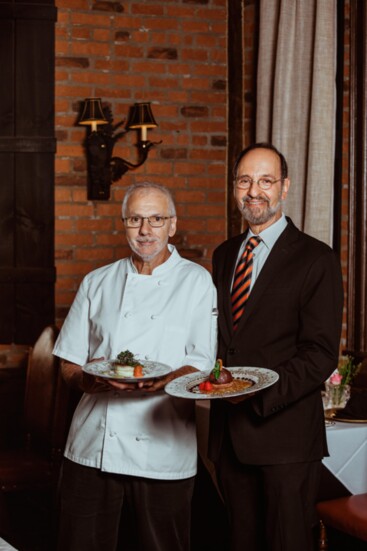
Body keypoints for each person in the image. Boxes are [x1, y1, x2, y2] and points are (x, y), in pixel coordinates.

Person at [53, 182, 217, 551]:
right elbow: (69, 364)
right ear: (123, 224)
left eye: (157, 219)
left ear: (172, 225)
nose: (146, 230)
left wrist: (158, 382)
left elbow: (201, 363)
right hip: (94, 443)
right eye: (135, 219)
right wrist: (92, 382)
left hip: (162, 444)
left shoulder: (196, 282)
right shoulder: (97, 281)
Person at [208, 143, 344, 551]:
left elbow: (320, 353)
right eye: (245, 181)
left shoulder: (317, 259)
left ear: (284, 188)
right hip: (229, 440)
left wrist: (253, 395)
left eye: (265, 181)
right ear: (235, 188)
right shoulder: (224, 254)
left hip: (285, 438)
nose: (254, 191)